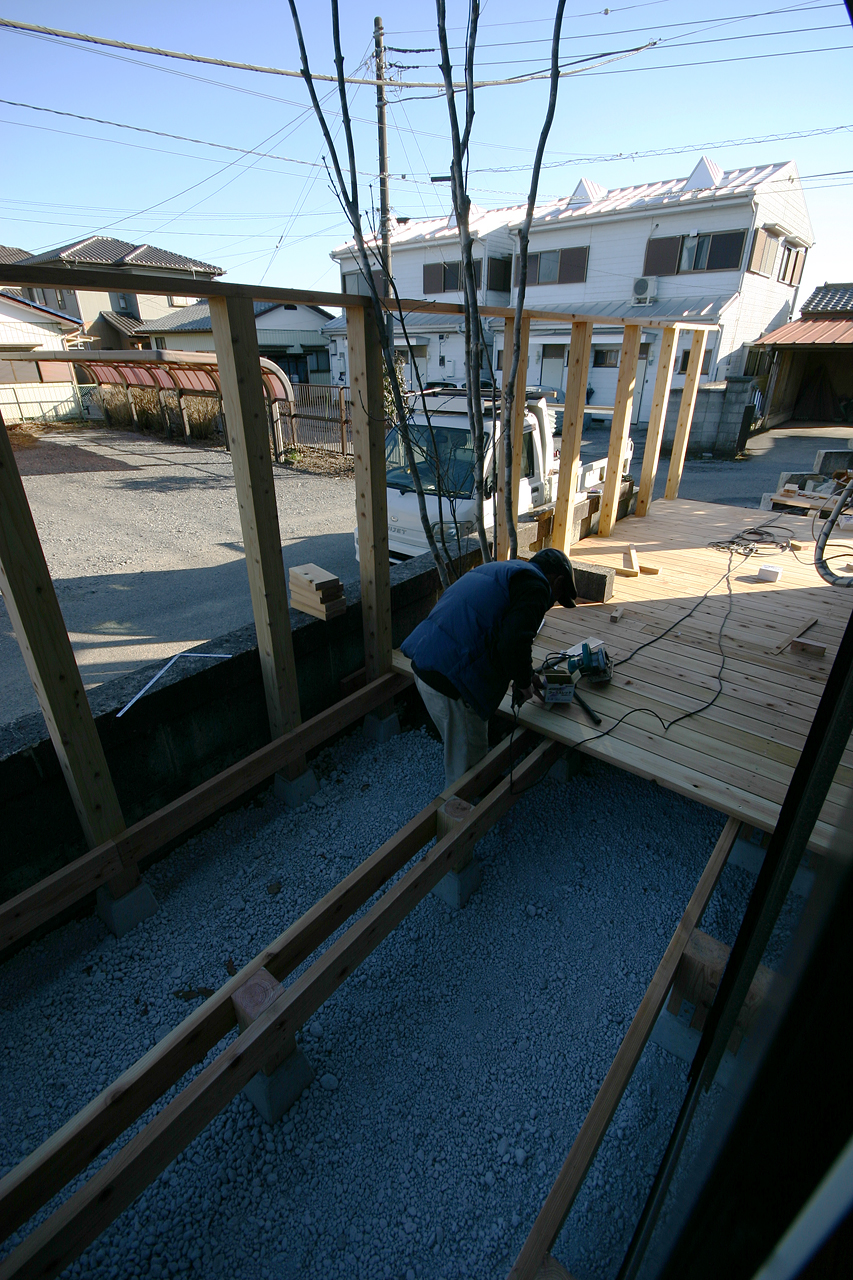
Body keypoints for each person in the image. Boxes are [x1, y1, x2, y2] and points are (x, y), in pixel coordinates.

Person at [401, 547, 577, 788]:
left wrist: (527, 675)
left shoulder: (502, 570)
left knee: (460, 746)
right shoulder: (537, 586)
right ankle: (465, 805)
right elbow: (513, 642)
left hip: (426, 660)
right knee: (469, 771)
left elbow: (500, 631)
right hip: (451, 684)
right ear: (557, 581)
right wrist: (523, 683)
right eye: (557, 597)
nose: (552, 602)